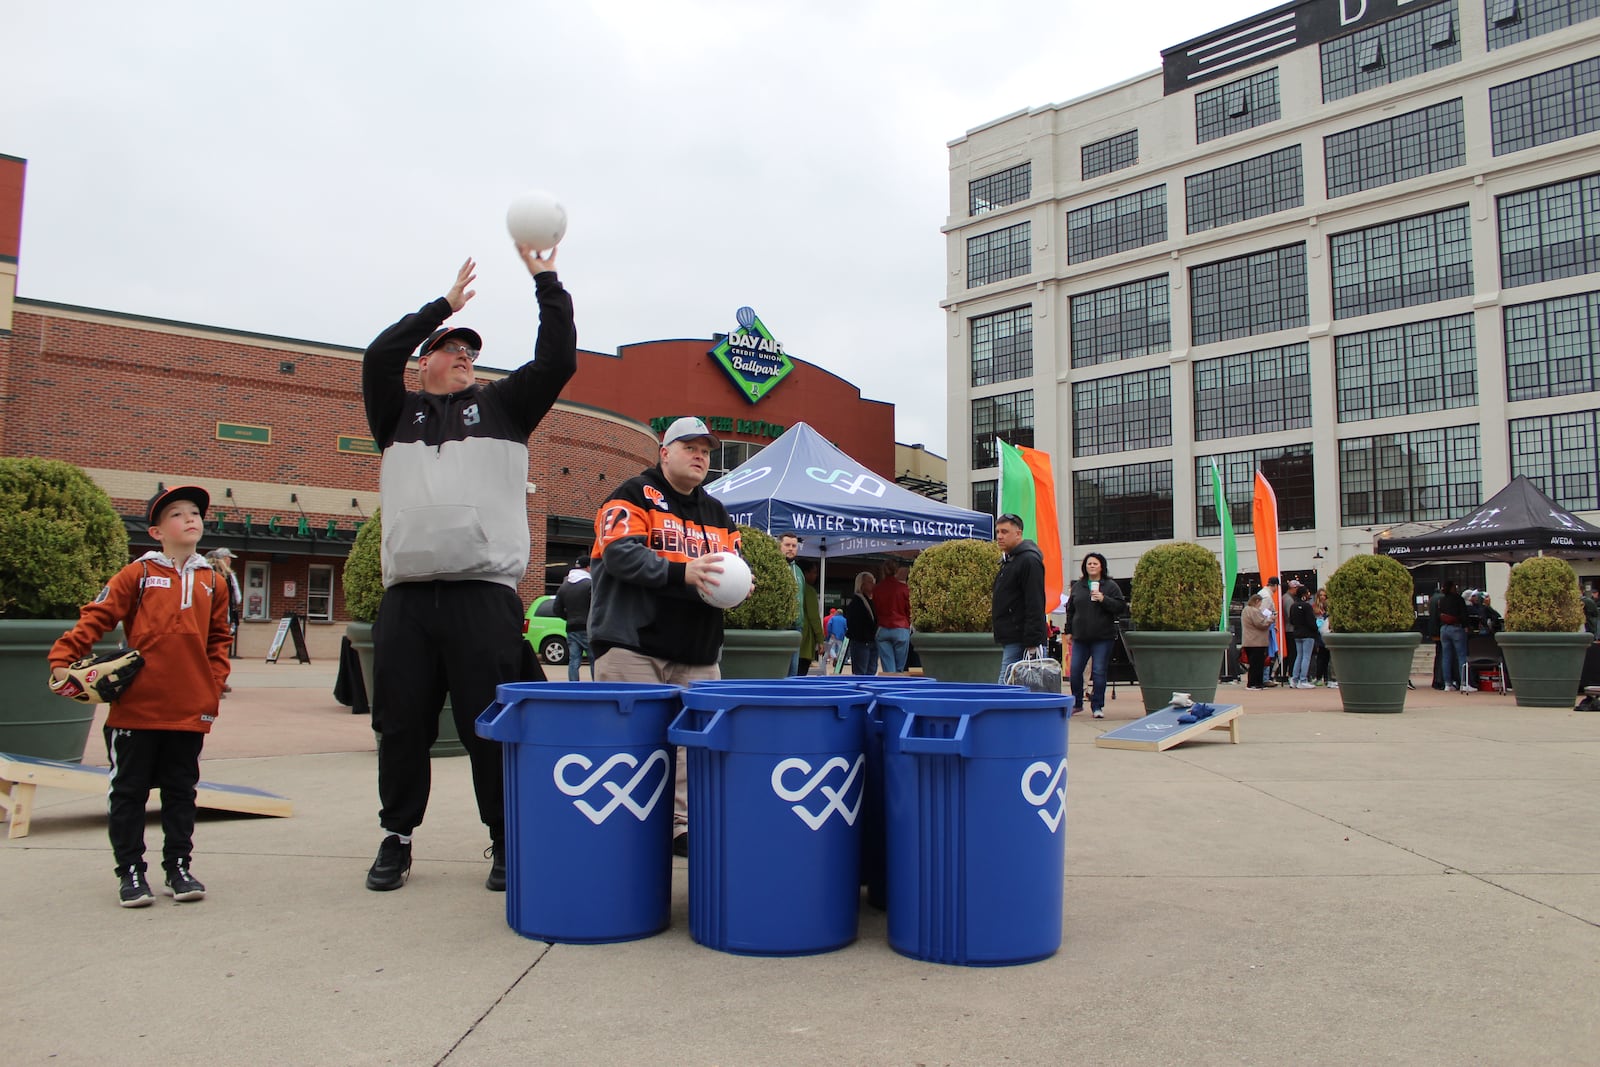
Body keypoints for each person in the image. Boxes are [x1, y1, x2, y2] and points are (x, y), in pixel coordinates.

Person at [361, 248, 575, 894]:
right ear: (423, 360)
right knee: (399, 723)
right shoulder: (395, 415)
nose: (463, 356)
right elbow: (375, 356)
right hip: (408, 599)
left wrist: (546, 281)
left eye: (470, 351)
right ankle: (396, 837)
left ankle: (506, 837)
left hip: (483, 595)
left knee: (492, 724)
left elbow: (559, 358)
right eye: (450, 348)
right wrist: (443, 307)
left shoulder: (506, 407)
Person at [49, 486, 232, 907]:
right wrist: (62, 659)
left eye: (194, 513)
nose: (190, 519)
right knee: (129, 792)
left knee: (182, 791)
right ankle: (130, 872)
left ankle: (179, 868)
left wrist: (212, 685)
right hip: (136, 710)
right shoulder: (136, 575)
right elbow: (95, 617)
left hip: (188, 711)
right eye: (176, 514)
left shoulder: (213, 581)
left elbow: (219, 639)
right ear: (155, 531)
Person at [588, 416, 743, 856]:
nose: (700, 456)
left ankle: (681, 826)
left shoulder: (716, 510)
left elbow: (730, 566)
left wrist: (739, 585)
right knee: (630, 743)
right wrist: (683, 572)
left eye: (706, 450)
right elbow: (619, 554)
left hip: (696, 649)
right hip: (632, 643)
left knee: (691, 750)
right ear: (665, 452)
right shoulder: (632, 493)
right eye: (690, 446)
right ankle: (624, 828)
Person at [1064, 552, 1125, 718]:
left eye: (1095, 564)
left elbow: (1120, 606)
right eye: (1089, 564)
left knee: (1099, 671)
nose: (1091, 566)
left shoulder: (1110, 586)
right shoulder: (1078, 586)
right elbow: (1070, 610)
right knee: (1075, 671)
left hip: (1102, 637)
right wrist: (1068, 630)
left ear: (1101, 567)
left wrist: (1103, 599)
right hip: (1081, 637)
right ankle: (1077, 702)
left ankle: (1097, 705)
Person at [991, 513, 1047, 685]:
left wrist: (1032, 641)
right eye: (998, 532)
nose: (999, 536)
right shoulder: (1010, 561)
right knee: (1013, 684)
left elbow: (1035, 602)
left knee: (1006, 684)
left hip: (1021, 637)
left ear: (1018, 533)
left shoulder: (1028, 561)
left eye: (1005, 531)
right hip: (1012, 635)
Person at [554, 557, 593, 681]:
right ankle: (596, 687)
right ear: (588, 567)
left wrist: (569, 618)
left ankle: (573, 687)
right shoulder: (590, 584)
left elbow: (556, 609)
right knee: (594, 660)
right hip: (587, 628)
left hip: (571, 628)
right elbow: (596, 606)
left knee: (574, 660)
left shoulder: (564, 586)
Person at [207, 547, 243, 683]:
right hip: (223, 617)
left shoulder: (201, 572)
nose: (230, 561)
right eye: (228, 558)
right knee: (219, 650)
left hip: (203, 617)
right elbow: (237, 598)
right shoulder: (227, 576)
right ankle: (218, 681)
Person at [1432, 580, 1471, 693]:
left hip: (1444, 628)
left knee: (1446, 656)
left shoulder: (1442, 600)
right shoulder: (1458, 599)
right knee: (1461, 655)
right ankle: (1464, 683)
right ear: (1453, 588)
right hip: (1456, 628)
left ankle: (1447, 684)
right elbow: (1464, 614)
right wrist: (1466, 626)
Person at [874, 561, 912, 673]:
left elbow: (876, 609)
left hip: (883, 627)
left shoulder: (877, 589)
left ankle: (890, 682)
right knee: (899, 668)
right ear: (896, 571)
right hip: (901, 627)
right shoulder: (904, 588)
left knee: (888, 669)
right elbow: (909, 609)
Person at [844, 570, 878, 676]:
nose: (873, 584)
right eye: (869, 582)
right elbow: (853, 622)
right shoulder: (856, 602)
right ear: (861, 584)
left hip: (871, 641)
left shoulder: (871, 601)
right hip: (861, 642)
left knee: (871, 671)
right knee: (861, 673)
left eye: (873, 581)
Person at [1288, 584, 1318, 689]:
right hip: (1307, 634)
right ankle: (1303, 679)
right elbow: (1311, 622)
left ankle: (1294, 679)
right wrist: (1315, 629)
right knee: (1306, 657)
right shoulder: (1307, 606)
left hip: (1297, 633)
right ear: (1305, 594)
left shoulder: (1293, 605)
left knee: (1299, 656)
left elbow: (1291, 620)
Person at [797, 561, 824, 675]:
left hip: (794, 638)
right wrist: (820, 640)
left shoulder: (794, 587)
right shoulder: (809, 590)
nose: (815, 575)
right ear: (805, 573)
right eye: (813, 572)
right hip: (806, 640)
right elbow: (814, 618)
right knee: (801, 673)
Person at [1241, 593, 1271, 690]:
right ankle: (1254, 683)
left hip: (1249, 641)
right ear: (1257, 601)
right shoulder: (1254, 611)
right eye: (1260, 603)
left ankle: (1256, 683)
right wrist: (1270, 620)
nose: (1260, 605)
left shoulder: (1246, 610)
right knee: (1257, 664)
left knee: (1254, 664)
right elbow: (1260, 624)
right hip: (1257, 641)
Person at [824, 608, 847, 674]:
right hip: (841, 636)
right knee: (840, 649)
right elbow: (846, 628)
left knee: (831, 648)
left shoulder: (833, 619)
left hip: (833, 635)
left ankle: (834, 657)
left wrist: (829, 634)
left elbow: (829, 626)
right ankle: (838, 662)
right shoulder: (844, 620)